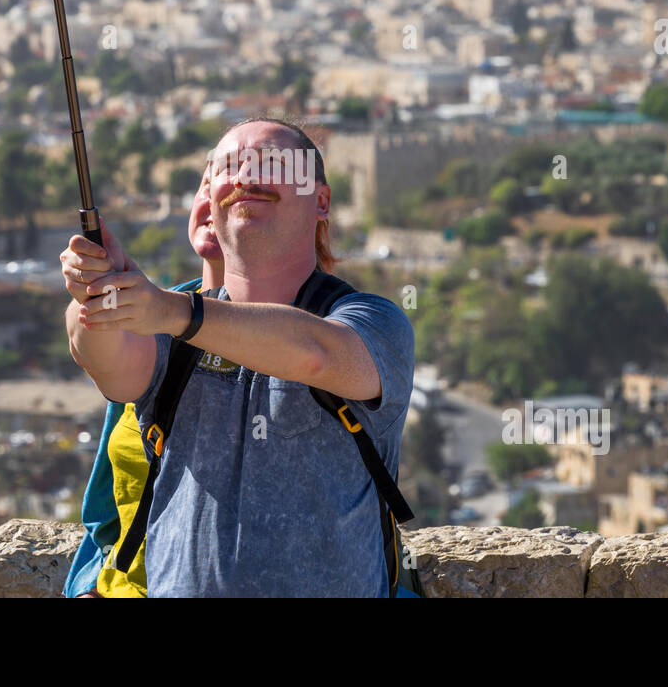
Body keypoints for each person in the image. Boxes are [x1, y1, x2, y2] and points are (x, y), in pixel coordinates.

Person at [61, 118, 414, 597]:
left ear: (322, 201)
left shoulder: (372, 321)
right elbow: (106, 361)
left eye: (274, 163)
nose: (247, 175)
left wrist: (169, 310)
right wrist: (96, 296)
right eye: (228, 166)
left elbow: (315, 355)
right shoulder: (172, 328)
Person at [62, 163, 223, 598]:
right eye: (207, 184)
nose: (214, 198)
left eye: (246, 188)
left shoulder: (339, 324)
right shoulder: (158, 326)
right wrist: (97, 292)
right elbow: (113, 514)